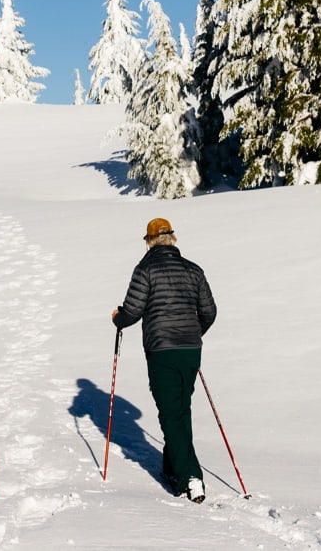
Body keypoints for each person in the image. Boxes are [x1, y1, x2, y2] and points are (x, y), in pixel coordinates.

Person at [110, 215, 217, 502]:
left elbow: (132, 312)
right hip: (191, 350)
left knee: (171, 413)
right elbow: (209, 312)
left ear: (149, 241)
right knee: (181, 409)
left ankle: (190, 476)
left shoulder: (145, 269)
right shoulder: (193, 270)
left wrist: (117, 319)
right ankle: (173, 467)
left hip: (162, 349)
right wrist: (192, 332)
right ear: (172, 239)